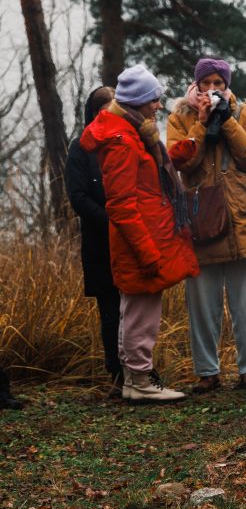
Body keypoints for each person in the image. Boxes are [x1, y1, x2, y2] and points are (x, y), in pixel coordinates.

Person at [80, 64, 198, 404]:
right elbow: (121, 205)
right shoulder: (120, 141)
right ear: (137, 102)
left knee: (138, 310)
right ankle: (139, 380)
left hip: (150, 237)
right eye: (154, 100)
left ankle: (135, 378)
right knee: (140, 313)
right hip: (140, 243)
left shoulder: (134, 131)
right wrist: (147, 252)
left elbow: (149, 175)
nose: (159, 106)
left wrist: (177, 152)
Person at [167, 58, 246, 393]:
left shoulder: (245, 113)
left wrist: (226, 122)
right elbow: (182, 160)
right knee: (202, 303)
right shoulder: (179, 116)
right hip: (200, 218)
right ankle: (207, 372)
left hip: (241, 219)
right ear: (195, 85)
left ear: (227, 84)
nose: (212, 89)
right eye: (205, 83)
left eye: (218, 83)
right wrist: (201, 122)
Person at [66, 85, 124, 394]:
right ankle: (116, 374)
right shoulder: (81, 148)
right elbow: (77, 197)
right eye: (107, 107)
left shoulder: (128, 142)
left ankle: (140, 370)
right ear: (95, 113)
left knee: (135, 307)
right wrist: (113, 221)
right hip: (101, 243)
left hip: (131, 241)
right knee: (110, 310)